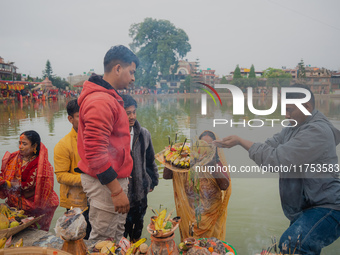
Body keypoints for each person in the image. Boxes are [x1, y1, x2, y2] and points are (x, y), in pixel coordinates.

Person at [214, 84, 340, 255]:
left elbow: (275, 159)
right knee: (290, 247)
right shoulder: (293, 127)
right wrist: (237, 142)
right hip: (307, 208)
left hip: (328, 207)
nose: (286, 115)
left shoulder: (317, 131)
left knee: (292, 244)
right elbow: (269, 146)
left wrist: (240, 141)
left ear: (307, 107)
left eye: (290, 110)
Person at [77, 45, 139, 241]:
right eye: (131, 72)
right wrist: (116, 190)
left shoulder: (110, 97)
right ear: (118, 68)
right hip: (105, 184)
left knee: (116, 235)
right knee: (102, 240)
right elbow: (95, 153)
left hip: (111, 180)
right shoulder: (101, 101)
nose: (133, 78)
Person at [163, 131, 231, 241]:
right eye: (202, 145)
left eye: (209, 146)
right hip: (190, 215)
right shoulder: (188, 163)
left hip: (211, 217)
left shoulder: (216, 164)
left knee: (211, 248)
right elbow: (166, 175)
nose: (205, 149)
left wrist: (211, 165)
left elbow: (225, 185)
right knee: (190, 248)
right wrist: (171, 158)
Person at [0, 130, 59, 231]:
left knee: (34, 231)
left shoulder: (39, 164)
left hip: (33, 204)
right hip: (15, 202)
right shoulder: (14, 157)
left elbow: (29, 185)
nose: (20, 147)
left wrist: (8, 184)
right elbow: (4, 173)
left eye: (24, 144)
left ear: (34, 146)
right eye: (19, 143)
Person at [121, 95, 159, 242]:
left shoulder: (144, 134)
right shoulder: (115, 136)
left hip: (141, 192)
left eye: (134, 112)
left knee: (138, 230)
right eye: (128, 113)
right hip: (123, 195)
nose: (132, 116)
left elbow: (150, 161)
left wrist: (153, 182)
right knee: (122, 233)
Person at [54, 99, 91, 239]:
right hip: (75, 202)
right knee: (78, 238)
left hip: (95, 199)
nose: (84, 120)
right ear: (70, 119)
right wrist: (87, 180)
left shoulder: (94, 139)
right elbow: (61, 176)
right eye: (79, 116)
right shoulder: (63, 145)